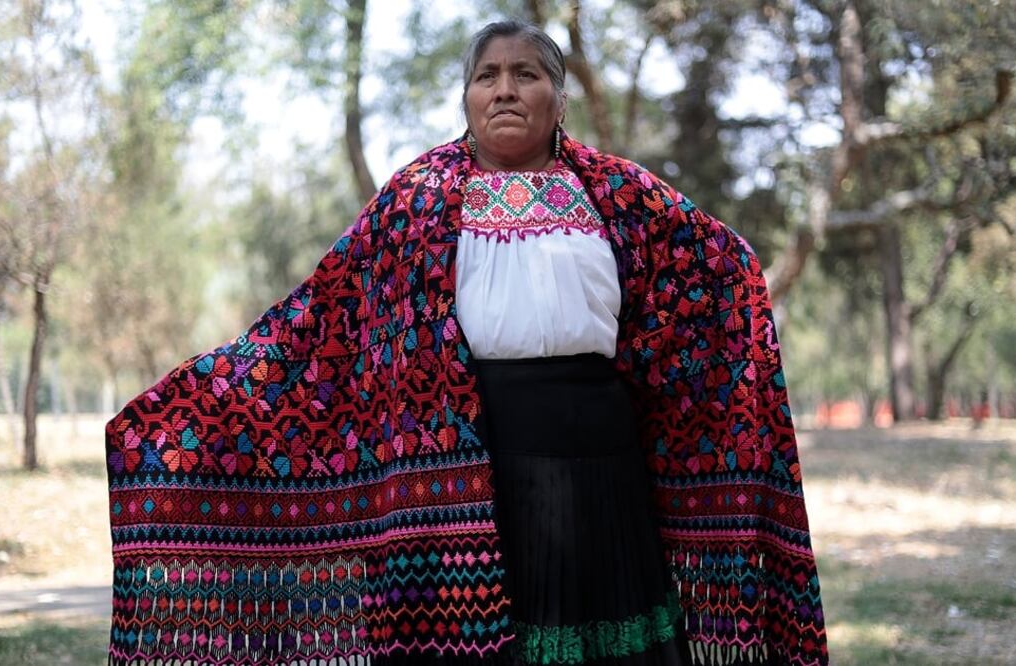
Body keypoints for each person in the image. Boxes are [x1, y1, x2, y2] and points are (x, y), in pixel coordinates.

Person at [105, 19, 828, 666]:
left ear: (559, 100)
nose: (505, 89)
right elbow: (319, 324)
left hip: (603, 464)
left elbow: (724, 267)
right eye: (487, 76)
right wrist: (189, 409)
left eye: (526, 74)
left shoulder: (621, 195)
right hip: (475, 469)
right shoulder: (414, 201)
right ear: (467, 99)